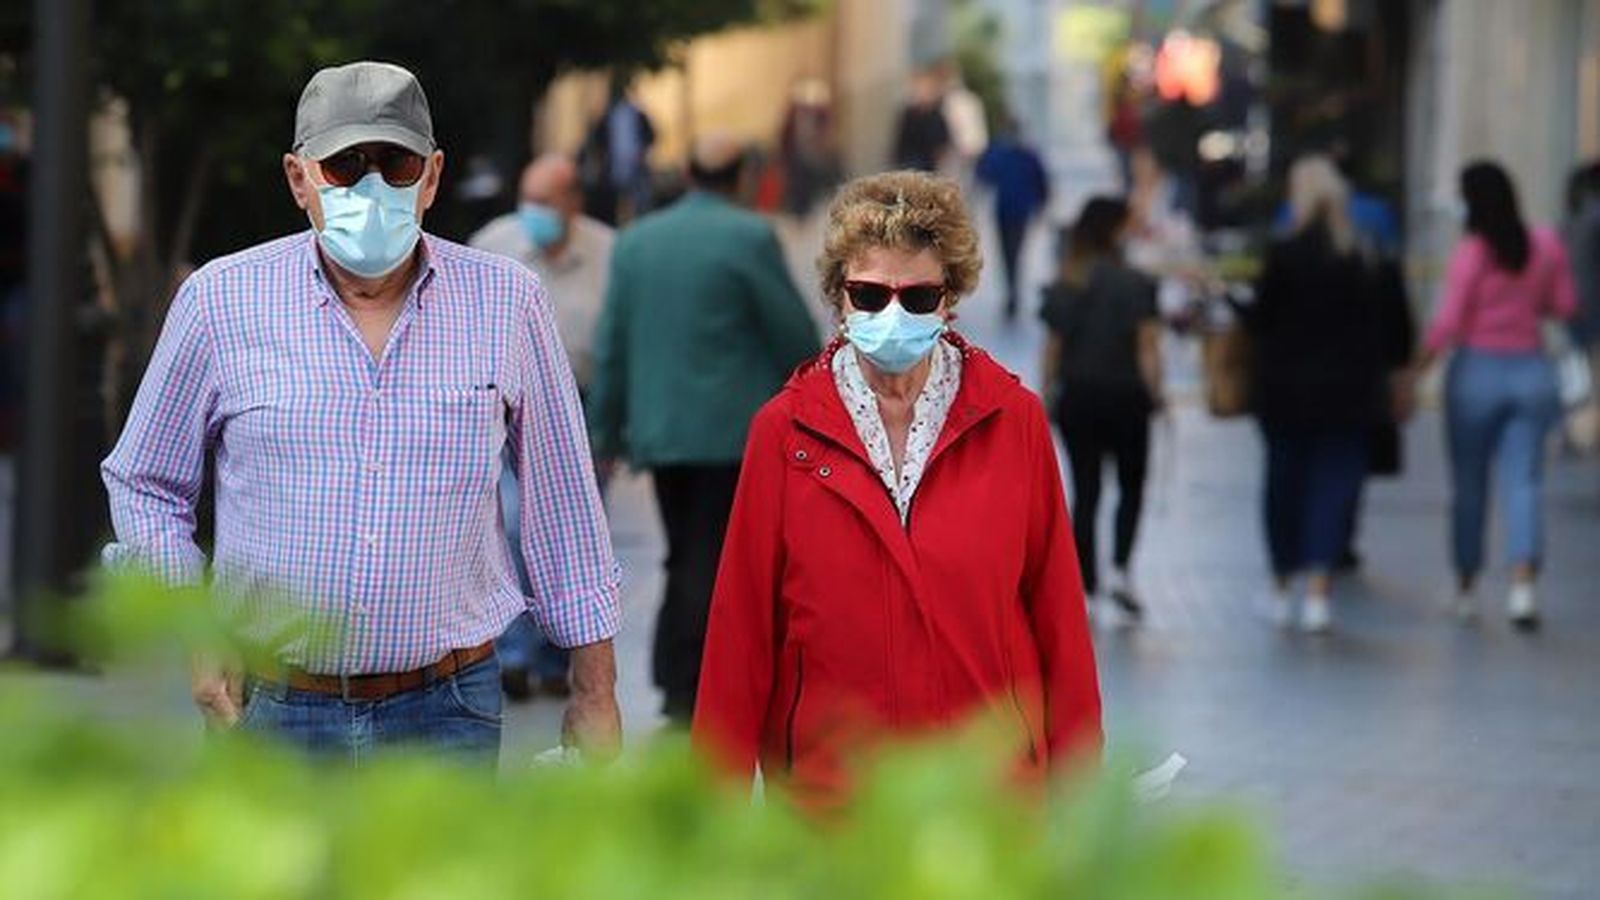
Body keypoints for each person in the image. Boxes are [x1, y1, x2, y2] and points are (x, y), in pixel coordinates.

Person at [101, 62, 623, 766]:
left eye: (396, 163)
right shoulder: (221, 302)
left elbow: (562, 501)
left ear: (432, 177)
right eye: (345, 166)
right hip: (272, 709)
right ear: (298, 179)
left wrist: (595, 687)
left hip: (450, 710)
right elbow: (144, 481)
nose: (372, 186)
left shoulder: (507, 303)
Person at [692, 171, 1103, 811]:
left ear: (950, 301)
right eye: (868, 294)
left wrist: (1083, 805)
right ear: (838, 298)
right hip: (831, 805)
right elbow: (740, 629)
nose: (892, 314)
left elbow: (1058, 617)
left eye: (917, 298)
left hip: (987, 802)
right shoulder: (782, 432)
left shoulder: (1013, 418)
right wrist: (707, 814)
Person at [588, 134, 820, 724]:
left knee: (686, 551)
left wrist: (606, 432)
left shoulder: (637, 243)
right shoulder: (749, 236)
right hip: (734, 435)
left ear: (688, 173)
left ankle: (680, 676)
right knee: (712, 557)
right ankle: (694, 677)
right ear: (742, 175)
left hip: (662, 435)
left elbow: (611, 345)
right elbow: (792, 333)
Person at [470, 153, 616, 701]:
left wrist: (611, 423)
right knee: (508, 525)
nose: (533, 213)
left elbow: (619, 343)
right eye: (527, 200)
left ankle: (559, 660)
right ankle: (512, 652)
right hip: (504, 405)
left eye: (546, 202)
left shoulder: (609, 254)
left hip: (581, 402)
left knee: (575, 527)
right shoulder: (494, 245)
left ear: (573, 203)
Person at [1418, 161, 1578, 629]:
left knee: (1470, 486)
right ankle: (1523, 586)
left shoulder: (1472, 252)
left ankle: (1467, 585)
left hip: (1476, 375)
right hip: (1531, 371)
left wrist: (1415, 370)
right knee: (1524, 481)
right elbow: (1565, 305)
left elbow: (1447, 323)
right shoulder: (1545, 244)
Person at [1240, 156, 1392, 633]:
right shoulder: (1362, 258)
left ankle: (1284, 582)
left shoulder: (1283, 255)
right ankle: (1320, 590)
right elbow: (1385, 326)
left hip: (1285, 392)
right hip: (1349, 393)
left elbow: (1260, 320)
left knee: (1284, 484)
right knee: (1333, 487)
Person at [1040, 197, 1162, 625]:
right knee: (1131, 485)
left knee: (1086, 491)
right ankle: (1122, 570)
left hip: (1079, 397)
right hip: (1127, 396)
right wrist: (1158, 394)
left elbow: (1052, 349)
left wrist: (1046, 392)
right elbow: (1147, 346)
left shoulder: (1066, 283)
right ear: (1114, 231)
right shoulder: (1136, 283)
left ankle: (1086, 585)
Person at [976, 117, 1051, 321]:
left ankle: (1012, 292)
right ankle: (1012, 291)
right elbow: (1042, 183)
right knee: (1012, 253)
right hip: (1017, 211)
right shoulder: (1026, 155)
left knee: (1008, 254)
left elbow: (984, 174)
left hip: (1007, 211)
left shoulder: (1002, 154)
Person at [579, 79, 656, 226]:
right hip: (613, 167)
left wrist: (641, 152)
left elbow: (651, 136)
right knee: (613, 203)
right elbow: (597, 141)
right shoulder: (608, 116)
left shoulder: (638, 114)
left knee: (640, 204)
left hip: (636, 166)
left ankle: (640, 227)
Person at [891, 70, 952, 173]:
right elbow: (901, 137)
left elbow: (942, 137)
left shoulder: (936, 113)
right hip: (909, 159)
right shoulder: (909, 112)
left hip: (928, 161)